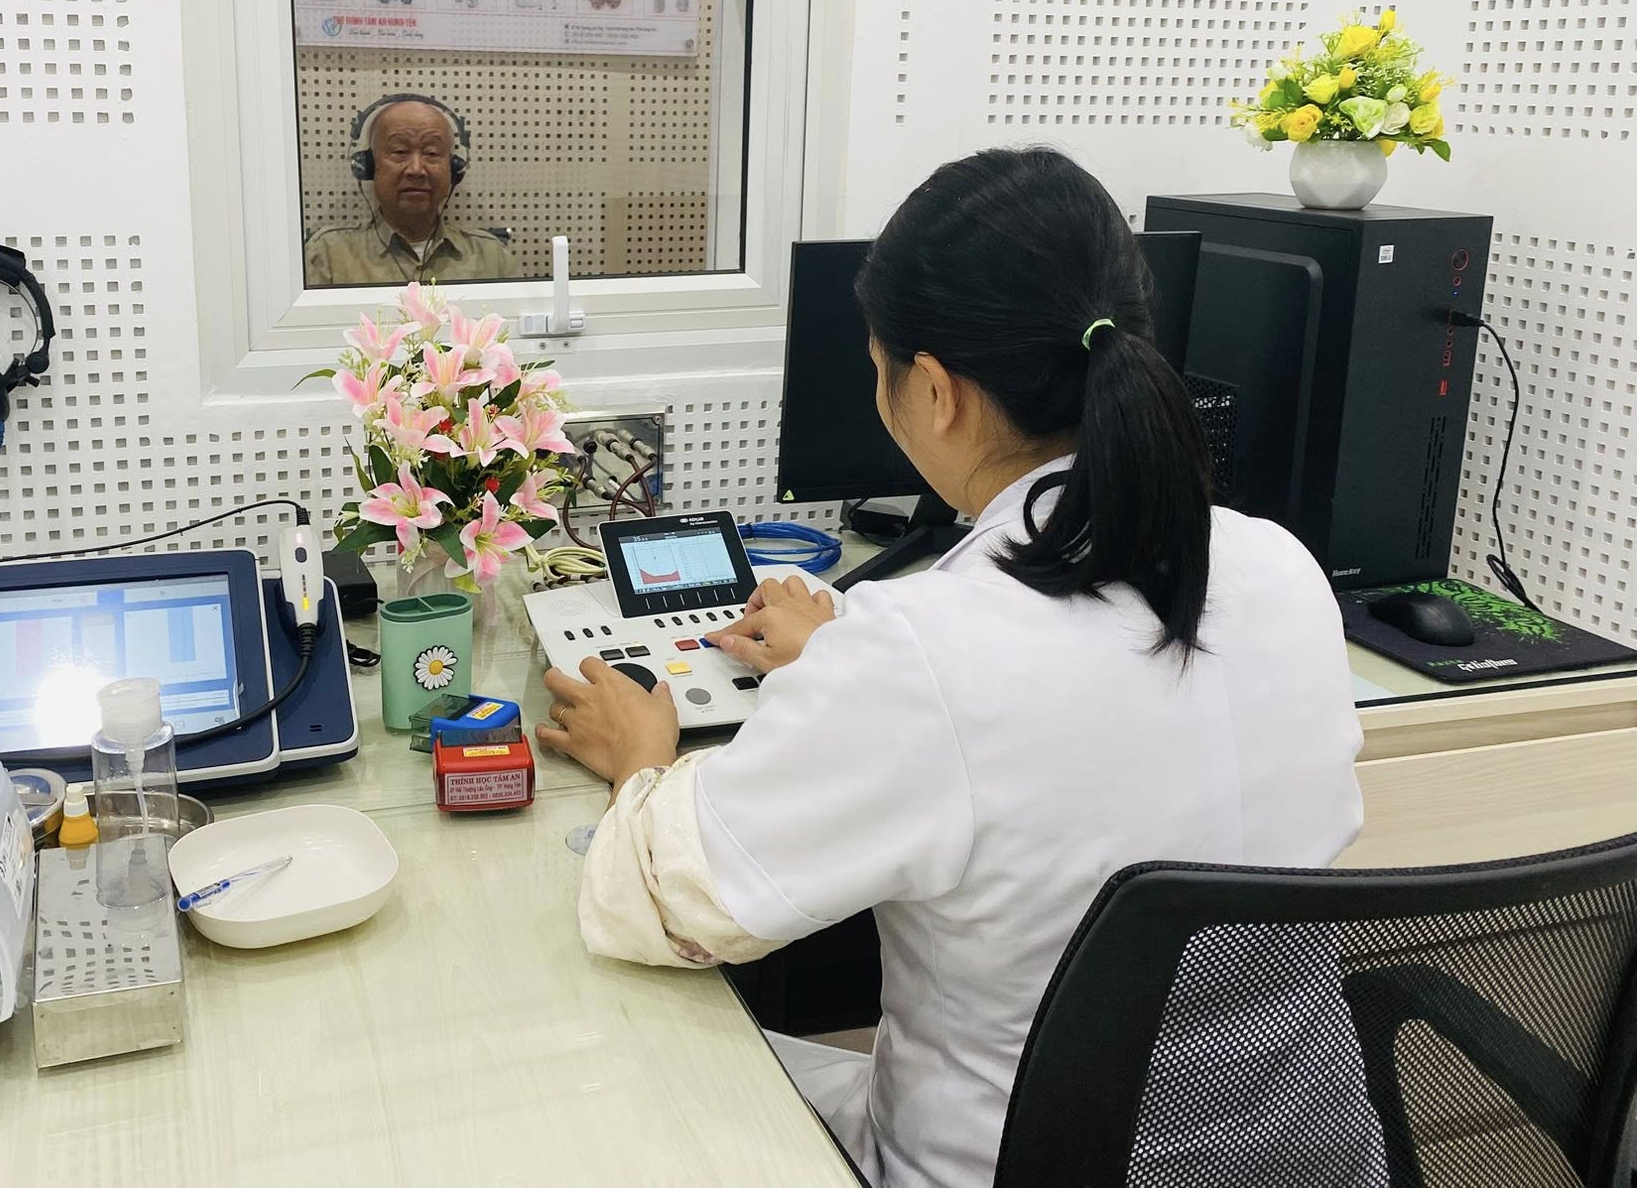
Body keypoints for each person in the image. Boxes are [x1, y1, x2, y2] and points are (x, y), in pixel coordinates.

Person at [536, 148, 1378, 1188]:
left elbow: (659, 906)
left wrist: (641, 759)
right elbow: (1064, 706)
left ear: (934, 391)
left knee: (606, 1073)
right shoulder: (1278, 567)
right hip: (1305, 1159)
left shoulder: (920, 651)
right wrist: (843, 663)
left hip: (991, 1168)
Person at [304, 92, 520, 285]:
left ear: (454, 169)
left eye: (432, 153)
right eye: (400, 151)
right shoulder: (328, 256)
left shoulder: (493, 259)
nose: (416, 169)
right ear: (369, 166)